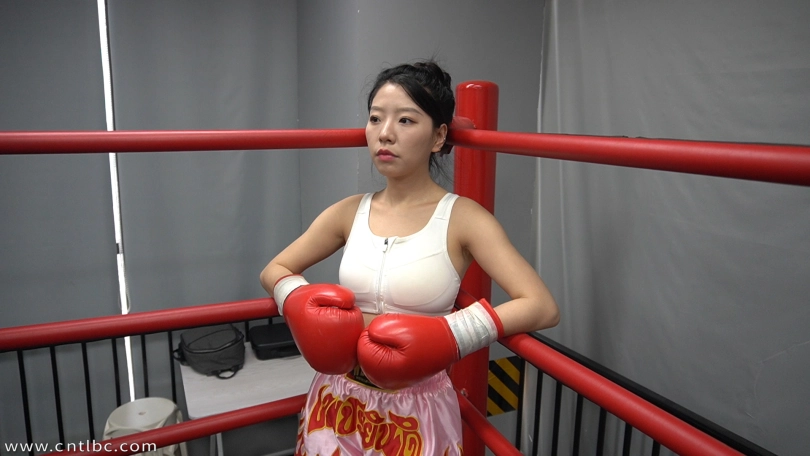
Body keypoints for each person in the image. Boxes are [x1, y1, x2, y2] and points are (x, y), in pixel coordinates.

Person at [260, 60, 559, 456]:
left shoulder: (463, 218)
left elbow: (541, 305)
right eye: (375, 118)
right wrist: (298, 300)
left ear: (438, 136)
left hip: (416, 410)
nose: (385, 133)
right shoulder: (349, 212)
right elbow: (275, 269)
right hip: (338, 399)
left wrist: (450, 335)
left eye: (405, 120)